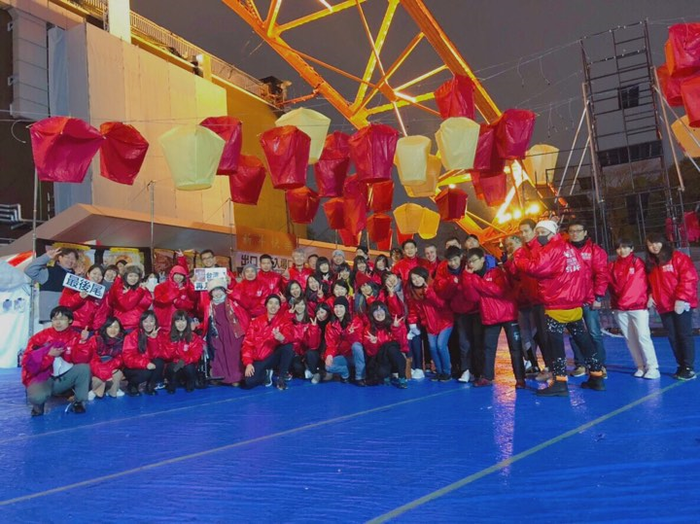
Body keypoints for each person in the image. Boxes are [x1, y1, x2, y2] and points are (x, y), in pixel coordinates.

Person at [513, 220, 604, 396]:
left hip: (557, 304)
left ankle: (560, 382)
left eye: (541, 232)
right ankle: (597, 375)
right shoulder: (569, 249)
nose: (538, 235)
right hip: (574, 302)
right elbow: (584, 274)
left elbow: (535, 268)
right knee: (584, 340)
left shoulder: (551, 250)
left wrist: (518, 257)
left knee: (555, 345)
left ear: (550, 233)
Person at [463, 248, 527, 388]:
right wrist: (468, 278)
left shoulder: (497, 271)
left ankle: (520, 379)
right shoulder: (470, 276)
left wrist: (474, 280)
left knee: (515, 348)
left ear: (482, 259)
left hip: (507, 314)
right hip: (490, 316)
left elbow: (499, 290)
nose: (471, 265)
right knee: (488, 348)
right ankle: (487, 376)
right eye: (469, 262)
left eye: (474, 261)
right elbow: (471, 297)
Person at [646, 233, 698, 380]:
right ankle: (681, 365)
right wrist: (651, 295)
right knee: (673, 337)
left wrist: (681, 298)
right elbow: (650, 284)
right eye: (650, 245)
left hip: (680, 304)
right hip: (664, 305)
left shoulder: (678, 258)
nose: (653, 247)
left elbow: (689, 278)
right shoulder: (652, 263)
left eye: (656, 243)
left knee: (684, 334)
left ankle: (688, 367)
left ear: (663, 242)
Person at [21, 306, 91, 416]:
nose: (58, 322)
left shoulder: (76, 337)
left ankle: (79, 402)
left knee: (84, 368)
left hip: (63, 378)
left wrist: (83, 342)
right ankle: (38, 405)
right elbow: (28, 362)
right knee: (37, 398)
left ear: (70, 321)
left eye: (62, 319)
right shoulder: (40, 337)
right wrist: (49, 356)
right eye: (54, 319)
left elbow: (81, 360)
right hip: (43, 377)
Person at [608, 239, 659, 379]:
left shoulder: (637, 263)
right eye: (618, 248)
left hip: (637, 306)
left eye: (625, 247)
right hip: (620, 308)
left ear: (632, 249)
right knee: (630, 339)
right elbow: (609, 285)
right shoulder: (612, 266)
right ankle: (640, 366)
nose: (622, 250)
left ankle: (653, 367)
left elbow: (637, 285)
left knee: (643, 336)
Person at [567, 221, 610, 377]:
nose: (575, 233)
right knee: (574, 334)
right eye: (572, 231)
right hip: (572, 300)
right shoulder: (565, 250)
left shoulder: (595, 251)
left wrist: (598, 296)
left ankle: (599, 365)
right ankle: (580, 364)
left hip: (590, 299)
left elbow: (602, 275)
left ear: (585, 232)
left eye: (578, 230)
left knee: (594, 333)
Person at [434, 246, 482, 383]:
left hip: (476, 309)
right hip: (460, 311)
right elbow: (442, 292)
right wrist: (451, 283)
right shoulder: (443, 270)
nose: (453, 263)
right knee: (464, 342)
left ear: (461, 256)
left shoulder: (469, 265)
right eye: (450, 261)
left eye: (455, 260)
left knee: (478, 342)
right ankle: (465, 370)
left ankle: (479, 371)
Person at [405, 266, 453, 382]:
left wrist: (430, 293)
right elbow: (413, 310)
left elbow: (442, 304)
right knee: (432, 347)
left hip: (444, 321)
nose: (416, 280)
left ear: (424, 276)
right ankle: (439, 371)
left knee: (441, 346)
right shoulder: (413, 293)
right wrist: (413, 323)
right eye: (413, 278)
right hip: (429, 324)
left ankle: (447, 372)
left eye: (418, 277)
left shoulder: (434, 286)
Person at [519, 218, 551, 382]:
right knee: (539, 335)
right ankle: (549, 366)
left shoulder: (542, 248)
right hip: (533, 299)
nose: (524, 235)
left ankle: (552, 367)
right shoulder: (523, 250)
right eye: (521, 232)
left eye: (526, 231)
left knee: (547, 335)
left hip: (544, 298)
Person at [503, 236, 542, 374]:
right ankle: (533, 362)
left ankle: (547, 364)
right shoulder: (509, 263)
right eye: (507, 246)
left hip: (532, 300)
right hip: (520, 303)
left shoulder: (526, 258)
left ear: (519, 243)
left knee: (537, 333)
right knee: (526, 334)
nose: (509, 248)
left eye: (511, 244)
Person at [241, 295, 295, 390]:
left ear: (279, 306)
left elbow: (289, 336)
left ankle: (281, 377)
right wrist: (248, 363)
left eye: (276, 303)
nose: (273, 306)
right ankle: (267, 373)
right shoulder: (255, 322)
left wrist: (282, 338)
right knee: (249, 382)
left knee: (288, 347)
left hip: (273, 356)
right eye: (270, 303)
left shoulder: (285, 321)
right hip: (259, 358)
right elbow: (247, 343)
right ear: (266, 305)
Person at [202, 279, 250, 386]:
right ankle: (221, 377)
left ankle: (236, 378)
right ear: (211, 293)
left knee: (234, 355)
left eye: (220, 290)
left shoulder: (232, 301)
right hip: (217, 333)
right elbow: (207, 321)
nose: (218, 293)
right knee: (219, 355)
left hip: (233, 332)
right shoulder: (209, 305)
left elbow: (247, 304)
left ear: (224, 290)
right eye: (215, 290)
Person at [24, 247, 78, 323]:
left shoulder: (76, 277)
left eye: (73, 258)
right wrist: (46, 257)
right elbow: (29, 270)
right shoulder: (48, 272)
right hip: (51, 318)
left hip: (70, 319)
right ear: (60, 257)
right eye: (68, 257)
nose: (70, 260)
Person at [363, 301, 408, 388]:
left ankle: (402, 377)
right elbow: (371, 353)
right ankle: (387, 375)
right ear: (372, 314)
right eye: (376, 311)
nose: (379, 314)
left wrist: (396, 329)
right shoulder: (369, 328)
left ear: (386, 311)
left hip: (396, 356)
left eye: (381, 310)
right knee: (387, 347)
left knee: (391, 347)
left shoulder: (395, 322)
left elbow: (402, 344)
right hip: (380, 359)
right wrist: (373, 343)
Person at [324, 296, 366, 385]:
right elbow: (331, 344)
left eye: (341, 307)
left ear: (346, 308)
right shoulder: (330, 325)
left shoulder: (355, 320)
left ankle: (360, 376)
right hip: (343, 356)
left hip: (356, 356)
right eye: (336, 307)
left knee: (356, 346)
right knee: (328, 367)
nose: (338, 310)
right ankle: (345, 373)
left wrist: (351, 334)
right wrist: (329, 355)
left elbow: (359, 341)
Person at [121, 311, 165, 396]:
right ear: (141, 322)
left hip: (148, 363)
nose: (149, 324)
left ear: (155, 322)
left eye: (151, 321)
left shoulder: (158, 334)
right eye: (145, 321)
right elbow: (128, 358)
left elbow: (156, 355)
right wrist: (145, 363)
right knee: (146, 372)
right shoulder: (132, 336)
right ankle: (132, 385)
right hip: (133, 367)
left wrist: (153, 340)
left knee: (159, 362)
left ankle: (150, 386)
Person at [163, 310, 204, 393]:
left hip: (187, 364)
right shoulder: (168, 336)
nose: (180, 324)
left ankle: (190, 382)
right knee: (172, 367)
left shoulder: (193, 337)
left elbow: (196, 355)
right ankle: (172, 383)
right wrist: (173, 344)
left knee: (189, 367)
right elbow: (166, 355)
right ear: (174, 323)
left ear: (187, 322)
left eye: (183, 321)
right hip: (174, 366)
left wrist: (183, 361)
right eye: (177, 321)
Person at [58, 264, 108, 332]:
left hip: (87, 330)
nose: (97, 276)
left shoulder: (101, 293)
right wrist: (79, 297)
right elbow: (63, 304)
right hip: (71, 326)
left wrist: (96, 331)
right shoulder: (74, 285)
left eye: (100, 274)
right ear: (88, 274)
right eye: (94, 273)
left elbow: (100, 315)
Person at [86, 317, 126, 399]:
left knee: (118, 373)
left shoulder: (123, 341)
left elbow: (120, 359)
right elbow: (92, 358)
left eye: (116, 327)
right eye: (110, 327)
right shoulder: (96, 339)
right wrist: (102, 370)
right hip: (97, 369)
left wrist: (108, 368)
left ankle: (112, 390)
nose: (113, 330)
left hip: (111, 369)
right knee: (98, 380)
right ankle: (94, 391)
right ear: (105, 327)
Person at [153, 264, 197, 333]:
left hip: (180, 324)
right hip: (164, 323)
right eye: (176, 274)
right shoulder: (160, 287)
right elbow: (159, 302)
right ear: (171, 274)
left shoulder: (186, 289)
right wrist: (176, 292)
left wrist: (178, 302)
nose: (178, 277)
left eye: (181, 275)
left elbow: (190, 305)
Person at [288, 297, 322, 383]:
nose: (300, 306)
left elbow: (313, 346)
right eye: (297, 304)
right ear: (294, 306)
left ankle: (315, 373)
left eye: (302, 304)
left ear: (305, 306)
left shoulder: (311, 320)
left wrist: (314, 328)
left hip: (309, 352)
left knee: (310, 353)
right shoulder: (289, 320)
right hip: (297, 354)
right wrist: (288, 317)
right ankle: (307, 372)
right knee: (296, 366)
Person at [109, 264, 153, 332]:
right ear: (125, 276)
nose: (133, 278)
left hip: (139, 325)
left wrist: (144, 291)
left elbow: (147, 303)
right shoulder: (119, 288)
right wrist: (139, 292)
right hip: (124, 326)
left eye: (136, 276)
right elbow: (127, 305)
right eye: (130, 276)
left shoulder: (140, 287)